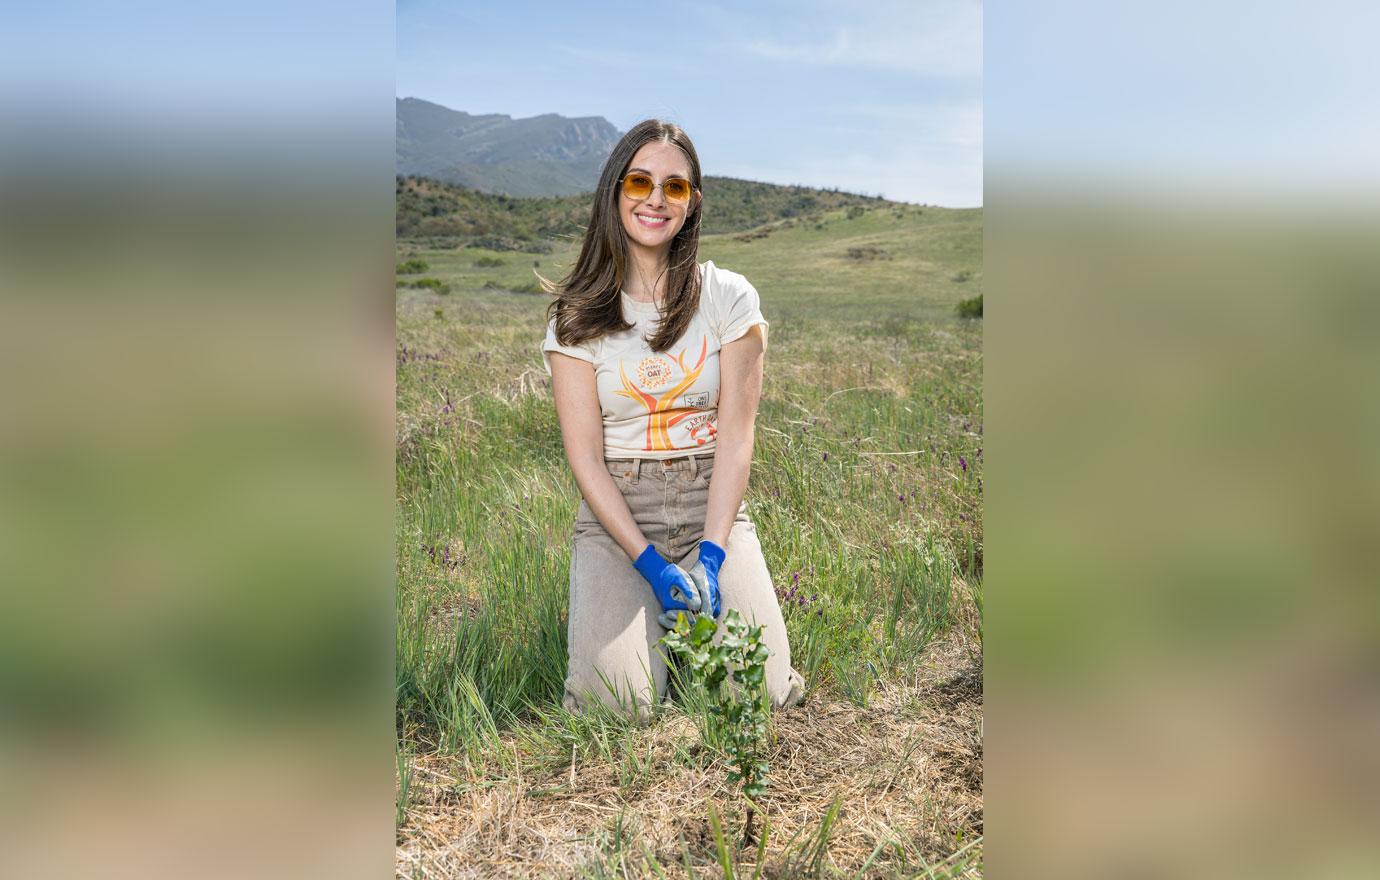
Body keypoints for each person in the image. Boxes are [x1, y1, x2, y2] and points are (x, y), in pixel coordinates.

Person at [539, 119, 806, 724]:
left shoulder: (728, 298)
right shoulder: (576, 318)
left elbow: (737, 437)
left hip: (710, 505)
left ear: (693, 203)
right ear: (616, 192)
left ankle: (692, 629)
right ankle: (652, 634)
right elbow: (585, 458)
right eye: (640, 181)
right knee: (619, 707)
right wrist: (649, 564)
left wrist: (710, 555)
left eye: (675, 187)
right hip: (619, 520)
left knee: (756, 699)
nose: (656, 199)